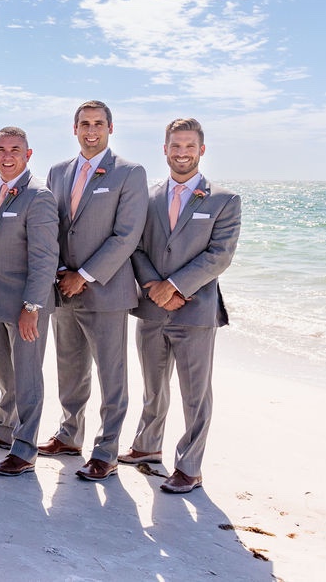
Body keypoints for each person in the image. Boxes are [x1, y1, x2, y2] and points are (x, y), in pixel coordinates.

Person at [120, 118, 241, 494]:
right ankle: (147, 445)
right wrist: (153, 285)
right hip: (151, 308)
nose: (182, 152)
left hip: (195, 310)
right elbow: (136, 246)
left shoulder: (224, 200)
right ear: (165, 149)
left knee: (195, 394)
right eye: (176, 146)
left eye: (189, 146)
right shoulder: (149, 196)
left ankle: (189, 466)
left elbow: (219, 256)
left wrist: (173, 286)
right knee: (154, 386)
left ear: (201, 150)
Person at [41, 100, 148, 482]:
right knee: (69, 368)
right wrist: (56, 272)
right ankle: (69, 436)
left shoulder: (130, 173)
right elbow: (49, 226)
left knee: (111, 374)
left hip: (105, 291)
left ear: (110, 128)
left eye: (98, 124)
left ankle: (106, 451)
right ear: (74, 129)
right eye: (84, 123)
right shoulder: (57, 172)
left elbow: (127, 235)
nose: (91, 130)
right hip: (62, 289)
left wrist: (84, 275)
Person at [0, 127, 59, 476]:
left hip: (25, 307)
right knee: (6, 374)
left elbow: (45, 257)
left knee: (27, 377)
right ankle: (4, 427)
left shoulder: (39, 196)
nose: (7, 156)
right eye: (1, 150)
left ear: (28, 154)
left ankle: (25, 448)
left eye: (15, 149)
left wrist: (32, 307)